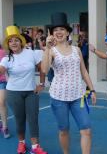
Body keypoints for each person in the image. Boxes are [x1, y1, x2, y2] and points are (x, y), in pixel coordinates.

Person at [41, 12, 96, 154]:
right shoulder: (51, 51)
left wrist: (92, 90)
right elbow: (45, 70)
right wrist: (46, 48)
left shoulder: (76, 49)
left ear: (67, 32)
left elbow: (84, 71)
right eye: (55, 30)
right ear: (52, 34)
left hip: (79, 96)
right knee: (64, 131)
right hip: (59, 98)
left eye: (62, 29)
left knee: (87, 130)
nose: (59, 32)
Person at [0, 25, 47, 154]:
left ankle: (35, 146)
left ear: (21, 41)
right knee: (19, 119)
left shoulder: (32, 53)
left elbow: (42, 68)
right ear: (8, 45)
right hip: (13, 93)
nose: (13, 43)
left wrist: (42, 84)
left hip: (31, 92)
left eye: (16, 40)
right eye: (10, 41)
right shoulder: (6, 59)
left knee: (33, 119)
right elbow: (1, 70)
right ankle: (21, 143)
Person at [0, 44, 10, 139]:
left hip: (1, 81)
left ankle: (5, 127)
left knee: (1, 102)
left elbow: (5, 68)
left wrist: (8, 80)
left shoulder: (2, 52)